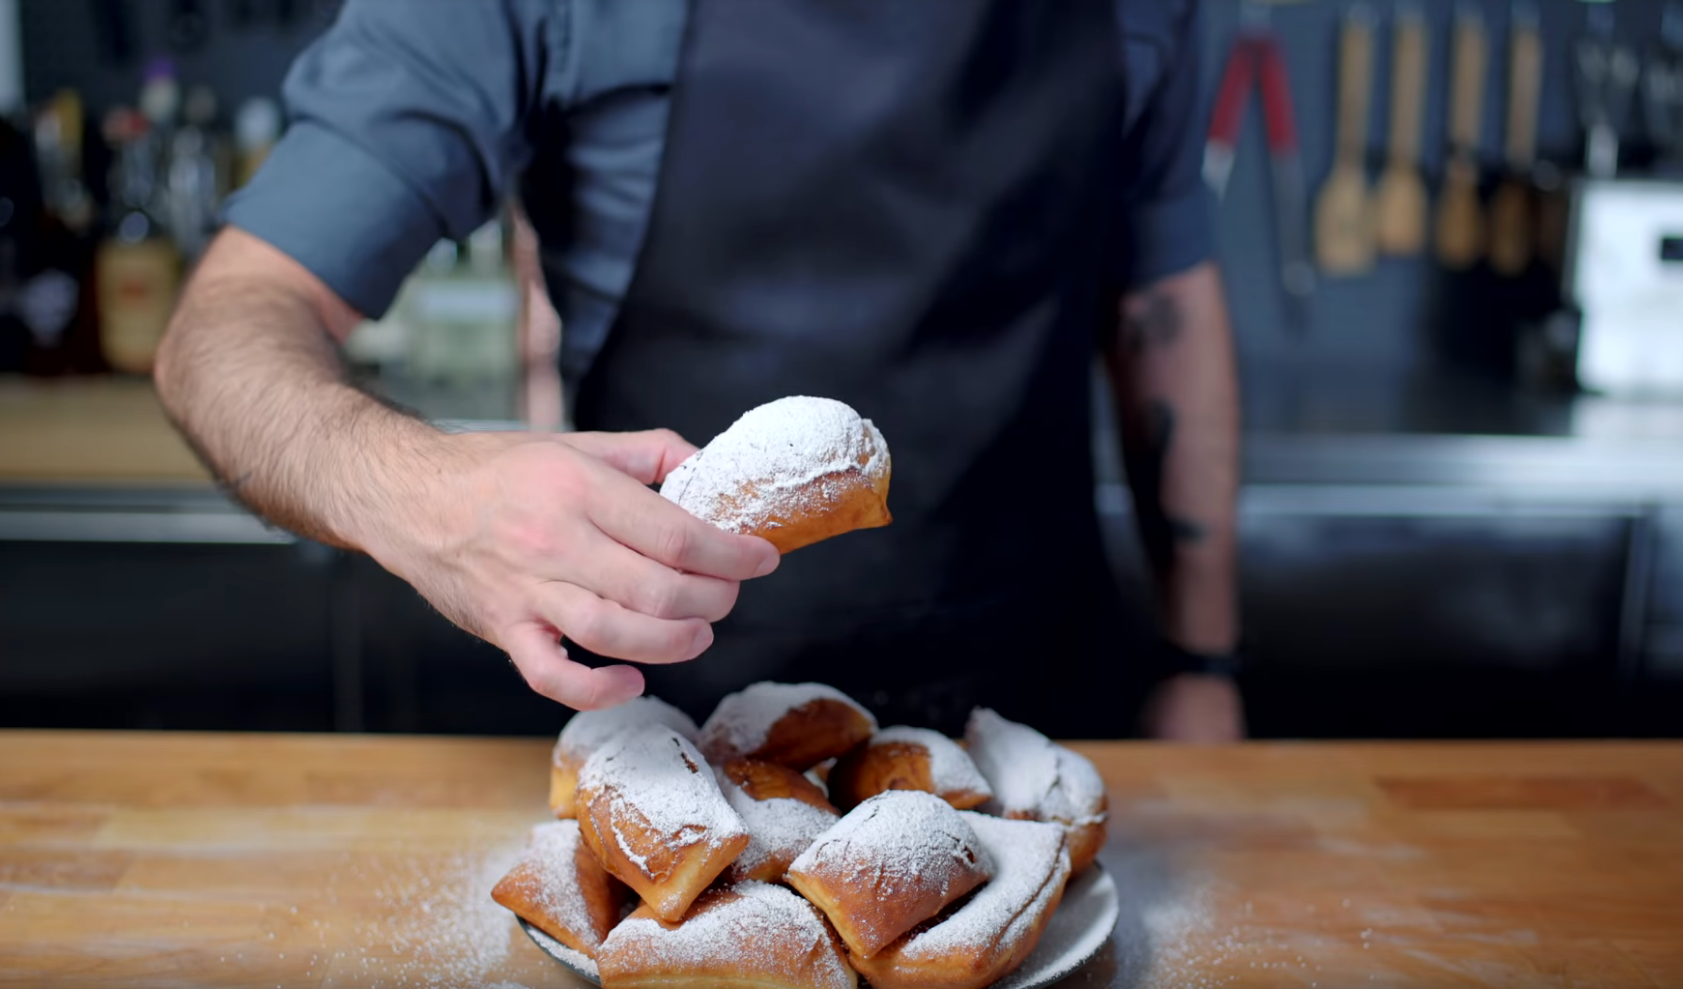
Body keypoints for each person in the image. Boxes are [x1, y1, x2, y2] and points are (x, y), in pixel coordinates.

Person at [155, 0, 1245, 741]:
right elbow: (225, 329)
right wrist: (427, 491)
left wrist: (1203, 664)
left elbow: (1162, 302)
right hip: (675, 729)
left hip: (1041, 705)